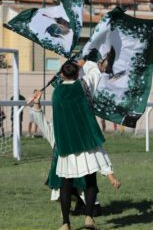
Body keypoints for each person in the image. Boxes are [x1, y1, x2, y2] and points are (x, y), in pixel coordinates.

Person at [52, 59, 119, 230]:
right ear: (77, 73)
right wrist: (86, 62)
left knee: (65, 185)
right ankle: (89, 216)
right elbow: (96, 71)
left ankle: (65, 224)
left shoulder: (57, 92)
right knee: (90, 181)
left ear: (62, 75)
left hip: (67, 143)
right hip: (85, 140)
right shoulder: (84, 85)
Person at [29, 90, 120, 219]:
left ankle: (82, 206)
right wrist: (37, 103)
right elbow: (42, 122)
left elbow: (97, 153)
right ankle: (68, 209)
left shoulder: (82, 132)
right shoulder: (56, 134)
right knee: (64, 183)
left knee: (95, 210)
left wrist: (110, 175)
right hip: (66, 178)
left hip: (82, 180)